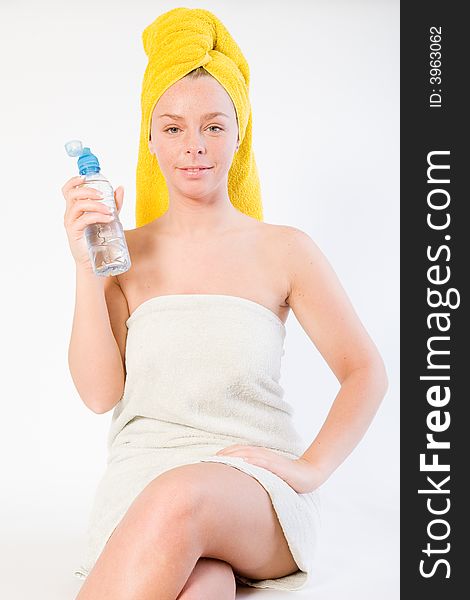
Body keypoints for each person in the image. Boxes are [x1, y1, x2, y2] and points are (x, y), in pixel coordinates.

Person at [62, 8, 388, 600]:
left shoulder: (286, 250)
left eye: (213, 126)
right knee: (204, 585)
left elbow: (364, 371)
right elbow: (98, 394)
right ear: (151, 137)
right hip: (139, 485)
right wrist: (89, 269)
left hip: (254, 491)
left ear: (240, 136)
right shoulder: (119, 253)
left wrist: (310, 469)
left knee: (182, 497)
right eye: (174, 127)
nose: (194, 147)